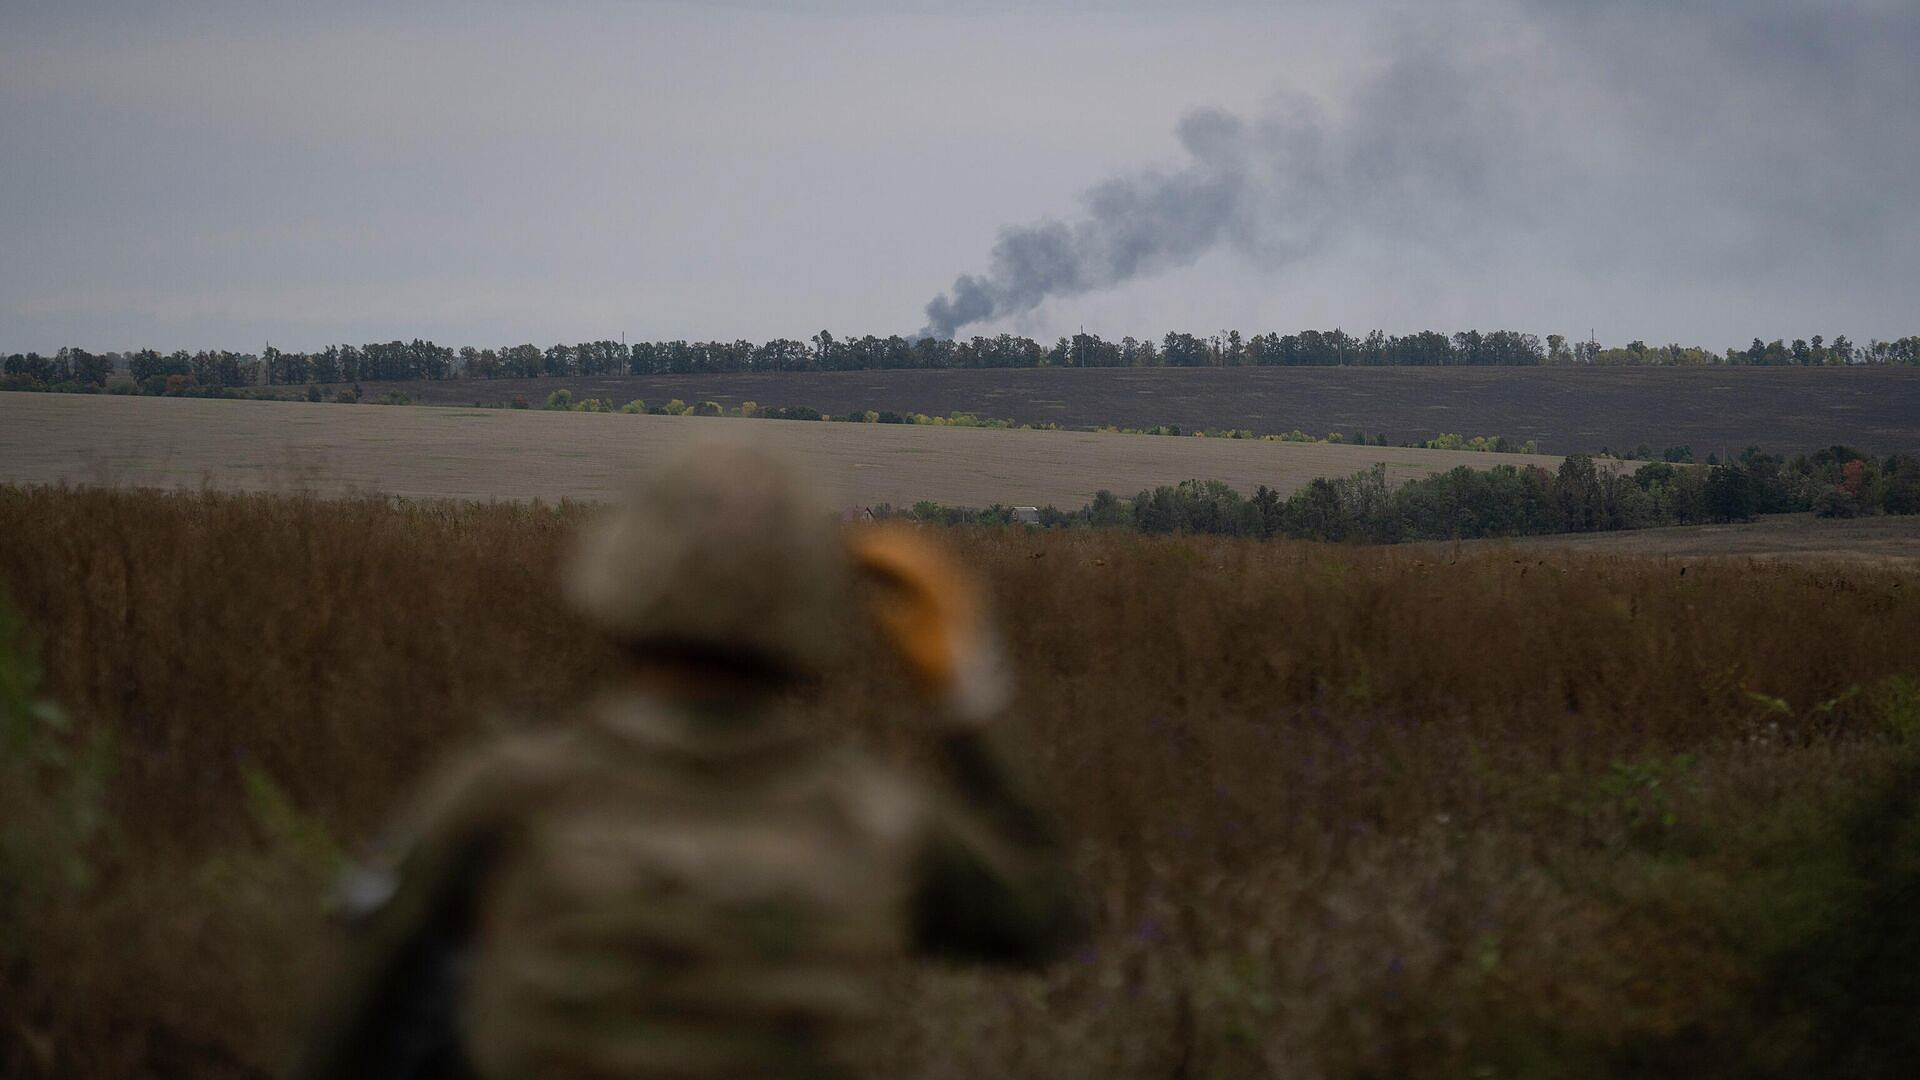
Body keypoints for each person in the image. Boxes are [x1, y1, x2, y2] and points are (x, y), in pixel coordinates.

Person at [295, 437, 1083, 1080]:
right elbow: (1042, 913)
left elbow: (343, 1026)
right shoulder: (881, 821)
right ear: (817, 603)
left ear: (625, 576)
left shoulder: (512, 793)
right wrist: (965, 692)